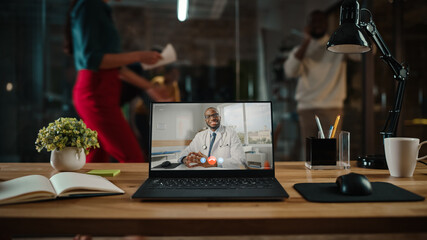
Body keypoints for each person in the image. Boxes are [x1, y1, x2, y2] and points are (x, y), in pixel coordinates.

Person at [64, 0, 164, 163]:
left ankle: (86, 188)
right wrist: (139, 56)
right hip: (95, 94)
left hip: (101, 93)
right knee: (132, 158)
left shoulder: (97, 8)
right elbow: (93, 60)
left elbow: (116, 68)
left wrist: (150, 87)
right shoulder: (90, 5)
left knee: (96, 159)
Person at [284, 10, 360, 144]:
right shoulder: (301, 49)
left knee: (331, 153)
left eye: (320, 21)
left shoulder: (337, 45)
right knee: (309, 153)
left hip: (331, 106)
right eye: (313, 22)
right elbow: (290, 71)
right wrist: (306, 41)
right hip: (306, 107)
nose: (317, 25)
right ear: (308, 25)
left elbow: (362, 55)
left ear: (327, 24)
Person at [177, 107, 246, 169]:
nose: (212, 118)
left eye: (215, 115)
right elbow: (184, 154)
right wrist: (185, 159)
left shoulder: (230, 133)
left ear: (220, 117)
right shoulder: (199, 136)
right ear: (205, 120)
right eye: (208, 116)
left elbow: (240, 160)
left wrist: (213, 162)